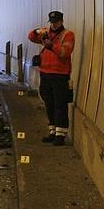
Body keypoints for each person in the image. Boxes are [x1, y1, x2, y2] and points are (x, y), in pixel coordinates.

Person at [28, 11, 75, 146]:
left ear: (61, 21)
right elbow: (31, 37)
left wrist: (51, 46)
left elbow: (64, 52)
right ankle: (53, 131)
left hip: (60, 75)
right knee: (49, 103)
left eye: (56, 22)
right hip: (45, 73)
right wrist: (37, 31)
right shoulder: (46, 34)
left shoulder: (68, 35)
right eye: (52, 22)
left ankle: (61, 134)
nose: (53, 25)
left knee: (60, 103)